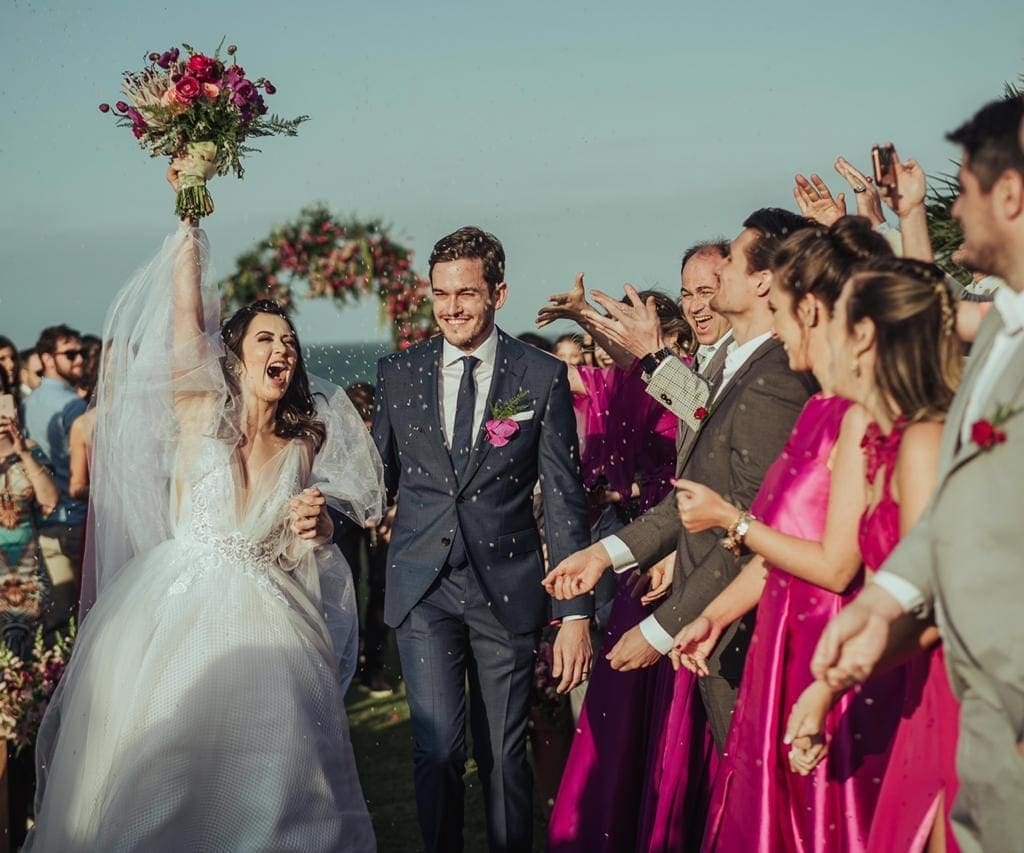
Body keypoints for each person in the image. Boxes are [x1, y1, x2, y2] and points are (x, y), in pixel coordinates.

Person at [28, 162, 383, 851]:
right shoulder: (196, 409)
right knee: (161, 768)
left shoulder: (304, 439)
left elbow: (294, 543)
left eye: (288, 342)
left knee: (279, 778)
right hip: (177, 613)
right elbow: (186, 317)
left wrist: (313, 529)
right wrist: (189, 217)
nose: (281, 350)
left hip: (269, 624)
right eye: (266, 340)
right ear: (237, 356)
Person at [806, 95, 1024, 853]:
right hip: (980, 714)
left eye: (959, 191)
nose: (951, 210)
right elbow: (920, 305)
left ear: (1009, 195)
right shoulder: (1000, 329)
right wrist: (882, 606)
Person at [672, 219, 907, 852]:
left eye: (778, 309)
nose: (774, 326)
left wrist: (731, 521)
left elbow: (833, 564)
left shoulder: (854, 418)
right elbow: (782, 543)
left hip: (831, 640)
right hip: (781, 637)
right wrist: (715, 616)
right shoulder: (818, 411)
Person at [544, 208, 817, 749]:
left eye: (729, 264)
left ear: (763, 280)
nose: (707, 290)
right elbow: (698, 452)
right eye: (690, 288)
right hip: (705, 615)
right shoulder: (731, 364)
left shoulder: (777, 376)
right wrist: (605, 555)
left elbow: (746, 520)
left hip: (740, 623)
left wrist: (662, 627)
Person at [372, 226, 593, 853]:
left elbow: (564, 501)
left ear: (499, 292)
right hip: (424, 590)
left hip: (507, 589)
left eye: (466, 294)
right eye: (440, 295)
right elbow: (375, 481)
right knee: (437, 750)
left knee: (503, 755)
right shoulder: (398, 372)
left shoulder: (541, 375)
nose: (451, 309)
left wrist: (574, 611)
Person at [22, 324, 88, 628]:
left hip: (44, 519)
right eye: (71, 353)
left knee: (58, 614)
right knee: (84, 611)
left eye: (82, 353)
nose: (80, 360)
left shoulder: (26, 404)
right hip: (75, 515)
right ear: (48, 358)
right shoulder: (74, 406)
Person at [0, 366, 59, 659]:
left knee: (27, 665)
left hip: (27, 575)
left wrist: (22, 453)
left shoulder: (30, 450)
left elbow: (50, 501)